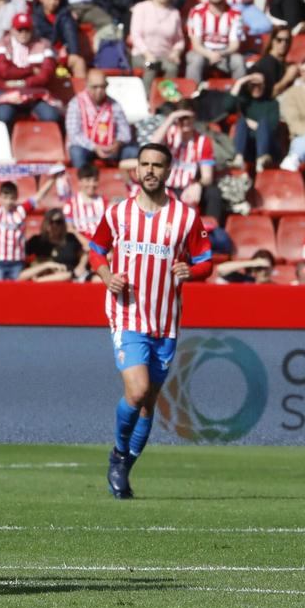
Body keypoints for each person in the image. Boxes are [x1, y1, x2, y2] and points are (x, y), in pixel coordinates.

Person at [86, 141, 212, 499]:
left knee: (149, 400)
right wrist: (107, 276)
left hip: (165, 322)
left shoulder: (186, 217)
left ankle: (125, 462)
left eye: (158, 165)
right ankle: (117, 451)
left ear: (169, 171)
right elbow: (96, 250)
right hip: (127, 315)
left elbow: (206, 260)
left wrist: (193, 271)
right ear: (136, 170)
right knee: (137, 389)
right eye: (146, 164)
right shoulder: (118, 213)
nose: (151, 170)